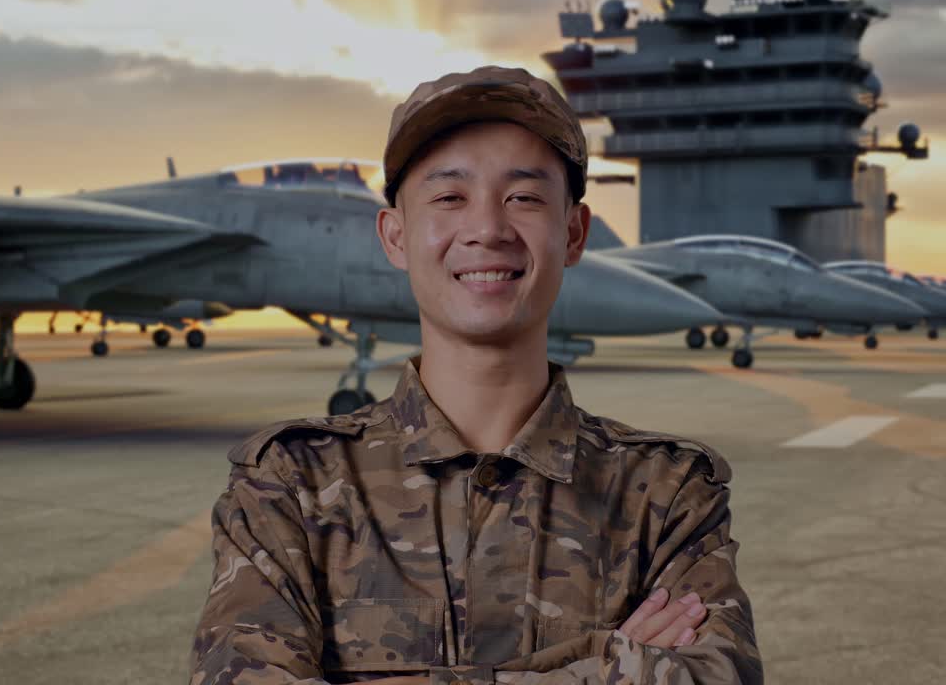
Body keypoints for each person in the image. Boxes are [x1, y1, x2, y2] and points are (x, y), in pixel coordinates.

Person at [190, 66, 761, 685]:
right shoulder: (289, 487)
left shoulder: (668, 495)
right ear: (396, 236)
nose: (488, 229)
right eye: (449, 197)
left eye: (524, 197)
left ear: (573, 233)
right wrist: (610, 667)